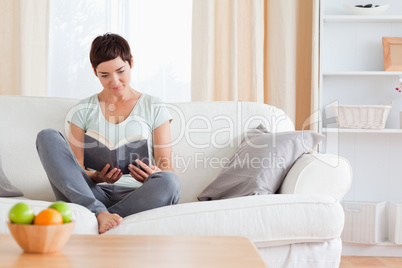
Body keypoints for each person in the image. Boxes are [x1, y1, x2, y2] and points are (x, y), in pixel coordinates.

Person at [36, 33, 181, 234]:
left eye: (121, 71)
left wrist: (151, 175)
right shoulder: (82, 110)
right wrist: (96, 176)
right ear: (95, 72)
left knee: (170, 182)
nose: (115, 81)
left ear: (131, 62)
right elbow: (73, 172)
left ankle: (97, 217)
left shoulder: (153, 106)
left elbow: (168, 168)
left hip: (137, 196)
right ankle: (99, 212)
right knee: (47, 136)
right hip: (90, 193)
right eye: (105, 75)